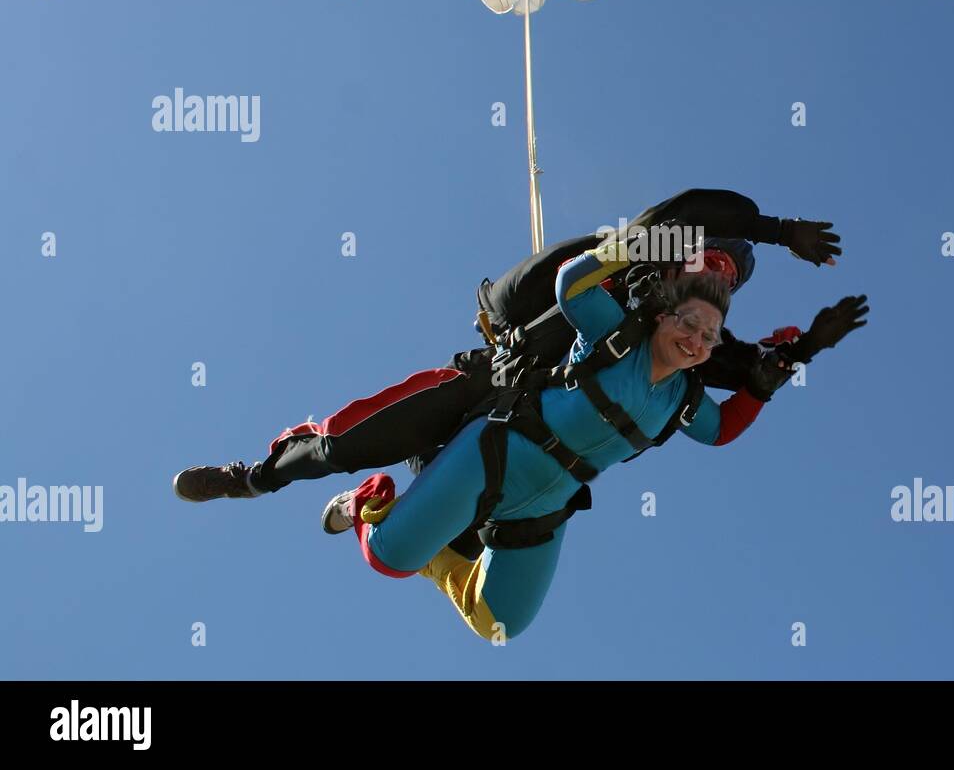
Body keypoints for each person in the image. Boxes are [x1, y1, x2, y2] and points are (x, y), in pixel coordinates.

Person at [321, 238, 868, 641]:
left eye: (708, 336)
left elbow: (724, 424)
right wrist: (640, 242)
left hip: (546, 504)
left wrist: (788, 362)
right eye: (689, 322)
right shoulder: (622, 319)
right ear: (666, 306)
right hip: (500, 448)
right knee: (391, 557)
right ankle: (374, 503)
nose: (697, 340)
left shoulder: (681, 391)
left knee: (500, 625)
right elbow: (570, 283)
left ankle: (444, 540)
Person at [172, 188, 842, 508]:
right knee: (345, 444)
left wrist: (804, 347)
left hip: (526, 435)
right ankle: (250, 477)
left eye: (728, 282)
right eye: (710, 264)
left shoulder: (685, 336)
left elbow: (747, 374)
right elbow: (700, 207)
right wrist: (778, 230)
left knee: (459, 521)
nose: (714, 282)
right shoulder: (643, 252)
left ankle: (372, 505)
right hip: (489, 379)